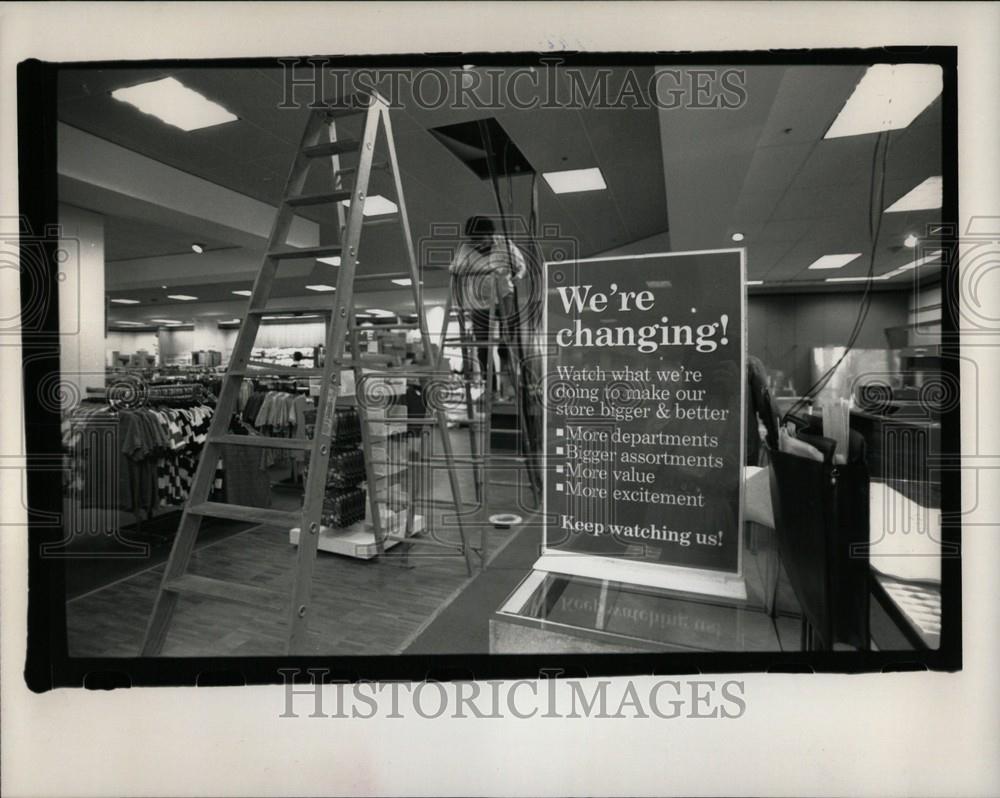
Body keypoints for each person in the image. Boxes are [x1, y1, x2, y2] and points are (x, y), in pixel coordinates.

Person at [449, 216, 527, 399]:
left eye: (481, 239)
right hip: (479, 301)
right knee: (483, 347)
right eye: (474, 241)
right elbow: (456, 267)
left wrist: (518, 276)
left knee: (505, 345)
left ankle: (509, 389)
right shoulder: (466, 247)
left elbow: (521, 265)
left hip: (504, 297)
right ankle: (490, 390)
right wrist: (456, 268)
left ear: (491, 235)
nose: (477, 244)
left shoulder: (505, 244)